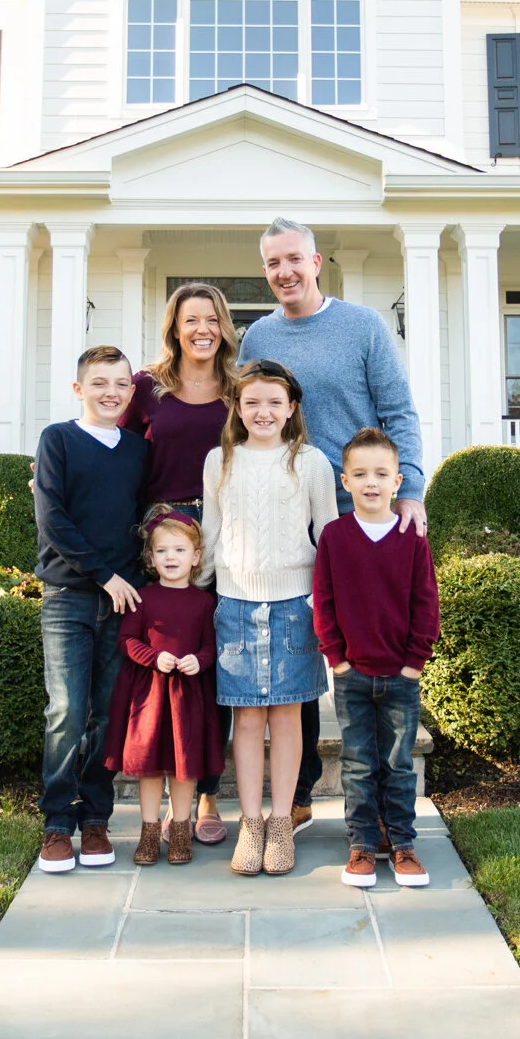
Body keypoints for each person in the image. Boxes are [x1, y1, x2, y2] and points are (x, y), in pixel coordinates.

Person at [237, 216, 428, 831]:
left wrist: (411, 489)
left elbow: (397, 409)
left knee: (372, 650)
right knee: (306, 643)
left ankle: (380, 805)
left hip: (360, 510)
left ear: (316, 262)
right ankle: (297, 802)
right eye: (272, 264)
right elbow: (237, 414)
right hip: (286, 515)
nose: (284, 272)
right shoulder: (259, 336)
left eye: (294, 259)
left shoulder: (364, 326)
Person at [201, 359, 336, 877]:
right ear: (237, 407)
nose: (263, 411)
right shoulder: (220, 461)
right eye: (252, 401)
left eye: (274, 402)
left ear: (291, 408)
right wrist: (197, 596)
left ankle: (282, 823)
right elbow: (211, 533)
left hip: (294, 607)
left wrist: (328, 605)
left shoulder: (313, 463)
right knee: (246, 716)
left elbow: (328, 537)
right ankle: (251, 824)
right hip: (234, 605)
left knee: (286, 718)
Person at [120, 282, 237, 844]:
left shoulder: (240, 390)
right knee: (161, 665)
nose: (202, 329)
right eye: (191, 319)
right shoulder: (148, 388)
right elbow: (116, 453)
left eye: (212, 319)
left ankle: (205, 799)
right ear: (174, 326)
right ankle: (162, 799)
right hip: (162, 540)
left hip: (221, 536)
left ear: (224, 326)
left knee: (209, 668)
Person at [31, 346, 148, 875]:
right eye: (99, 383)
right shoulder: (57, 439)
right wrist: (103, 574)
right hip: (68, 598)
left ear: (130, 392)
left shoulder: (137, 451)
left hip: (124, 601)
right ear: (79, 390)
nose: (111, 392)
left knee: (108, 713)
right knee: (66, 712)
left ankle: (96, 818)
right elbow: (52, 518)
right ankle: (57, 823)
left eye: (121, 384)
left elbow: (145, 517)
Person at [313, 428, 440, 889]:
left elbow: (427, 604)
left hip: (402, 676)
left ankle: (403, 845)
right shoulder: (335, 536)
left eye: (381, 474)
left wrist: (414, 663)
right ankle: (363, 844)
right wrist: (337, 659)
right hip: (352, 676)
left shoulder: (412, 540)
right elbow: (323, 601)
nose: (371, 482)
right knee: (359, 764)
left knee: (399, 763)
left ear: (397, 481)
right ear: (344, 481)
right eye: (361, 474)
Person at [104, 507, 221, 867]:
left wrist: (198, 661)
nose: (171, 557)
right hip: (150, 697)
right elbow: (126, 640)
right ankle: (150, 832)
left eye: (180, 550)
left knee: (184, 768)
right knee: (151, 767)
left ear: (196, 556)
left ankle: (182, 831)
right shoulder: (143, 598)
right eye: (163, 551)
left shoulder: (204, 602)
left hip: (188, 697)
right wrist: (153, 657)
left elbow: (210, 646)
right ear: (151, 557)